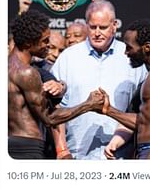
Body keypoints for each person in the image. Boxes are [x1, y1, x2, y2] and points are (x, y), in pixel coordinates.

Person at [51, 0, 147, 159]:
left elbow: (143, 112)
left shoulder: (132, 57)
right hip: (76, 156)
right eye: (92, 27)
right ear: (86, 24)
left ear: (114, 25)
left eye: (103, 27)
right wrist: (62, 150)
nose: (97, 33)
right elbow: (55, 106)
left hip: (120, 158)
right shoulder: (68, 57)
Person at [8, 10, 103, 159]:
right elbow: (50, 118)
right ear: (28, 42)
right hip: (28, 149)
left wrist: (61, 86)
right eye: (45, 41)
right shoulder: (26, 73)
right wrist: (89, 105)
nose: (48, 45)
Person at [92, 19, 150, 159]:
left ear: (147, 47)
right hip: (148, 149)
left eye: (129, 47)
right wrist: (109, 110)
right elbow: (145, 121)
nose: (126, 52)